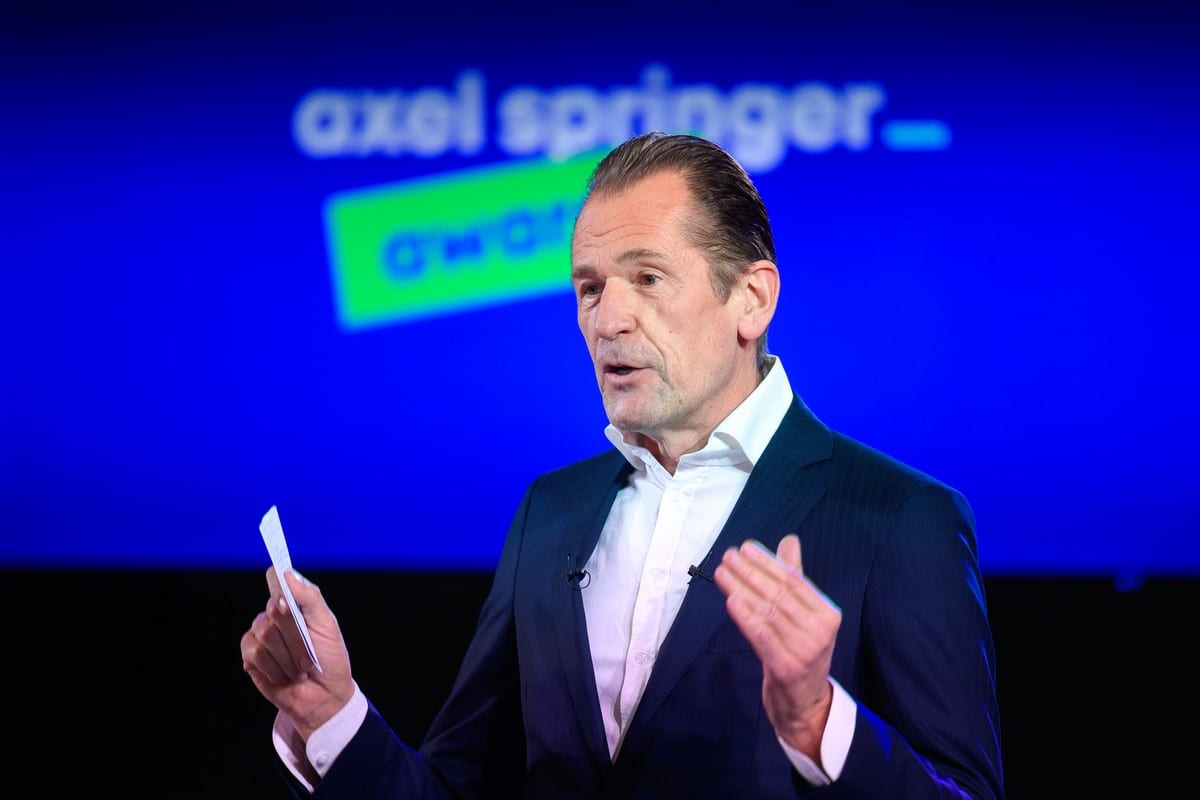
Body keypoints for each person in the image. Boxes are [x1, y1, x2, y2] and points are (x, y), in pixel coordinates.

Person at [241, 132, 1005, 799]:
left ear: (751, 298)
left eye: (647, 278)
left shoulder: (898, 517)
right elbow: (458, 787)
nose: (607, 319)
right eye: (589, 288)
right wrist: (331, 714)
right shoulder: (551, 514)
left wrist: (820, 722)